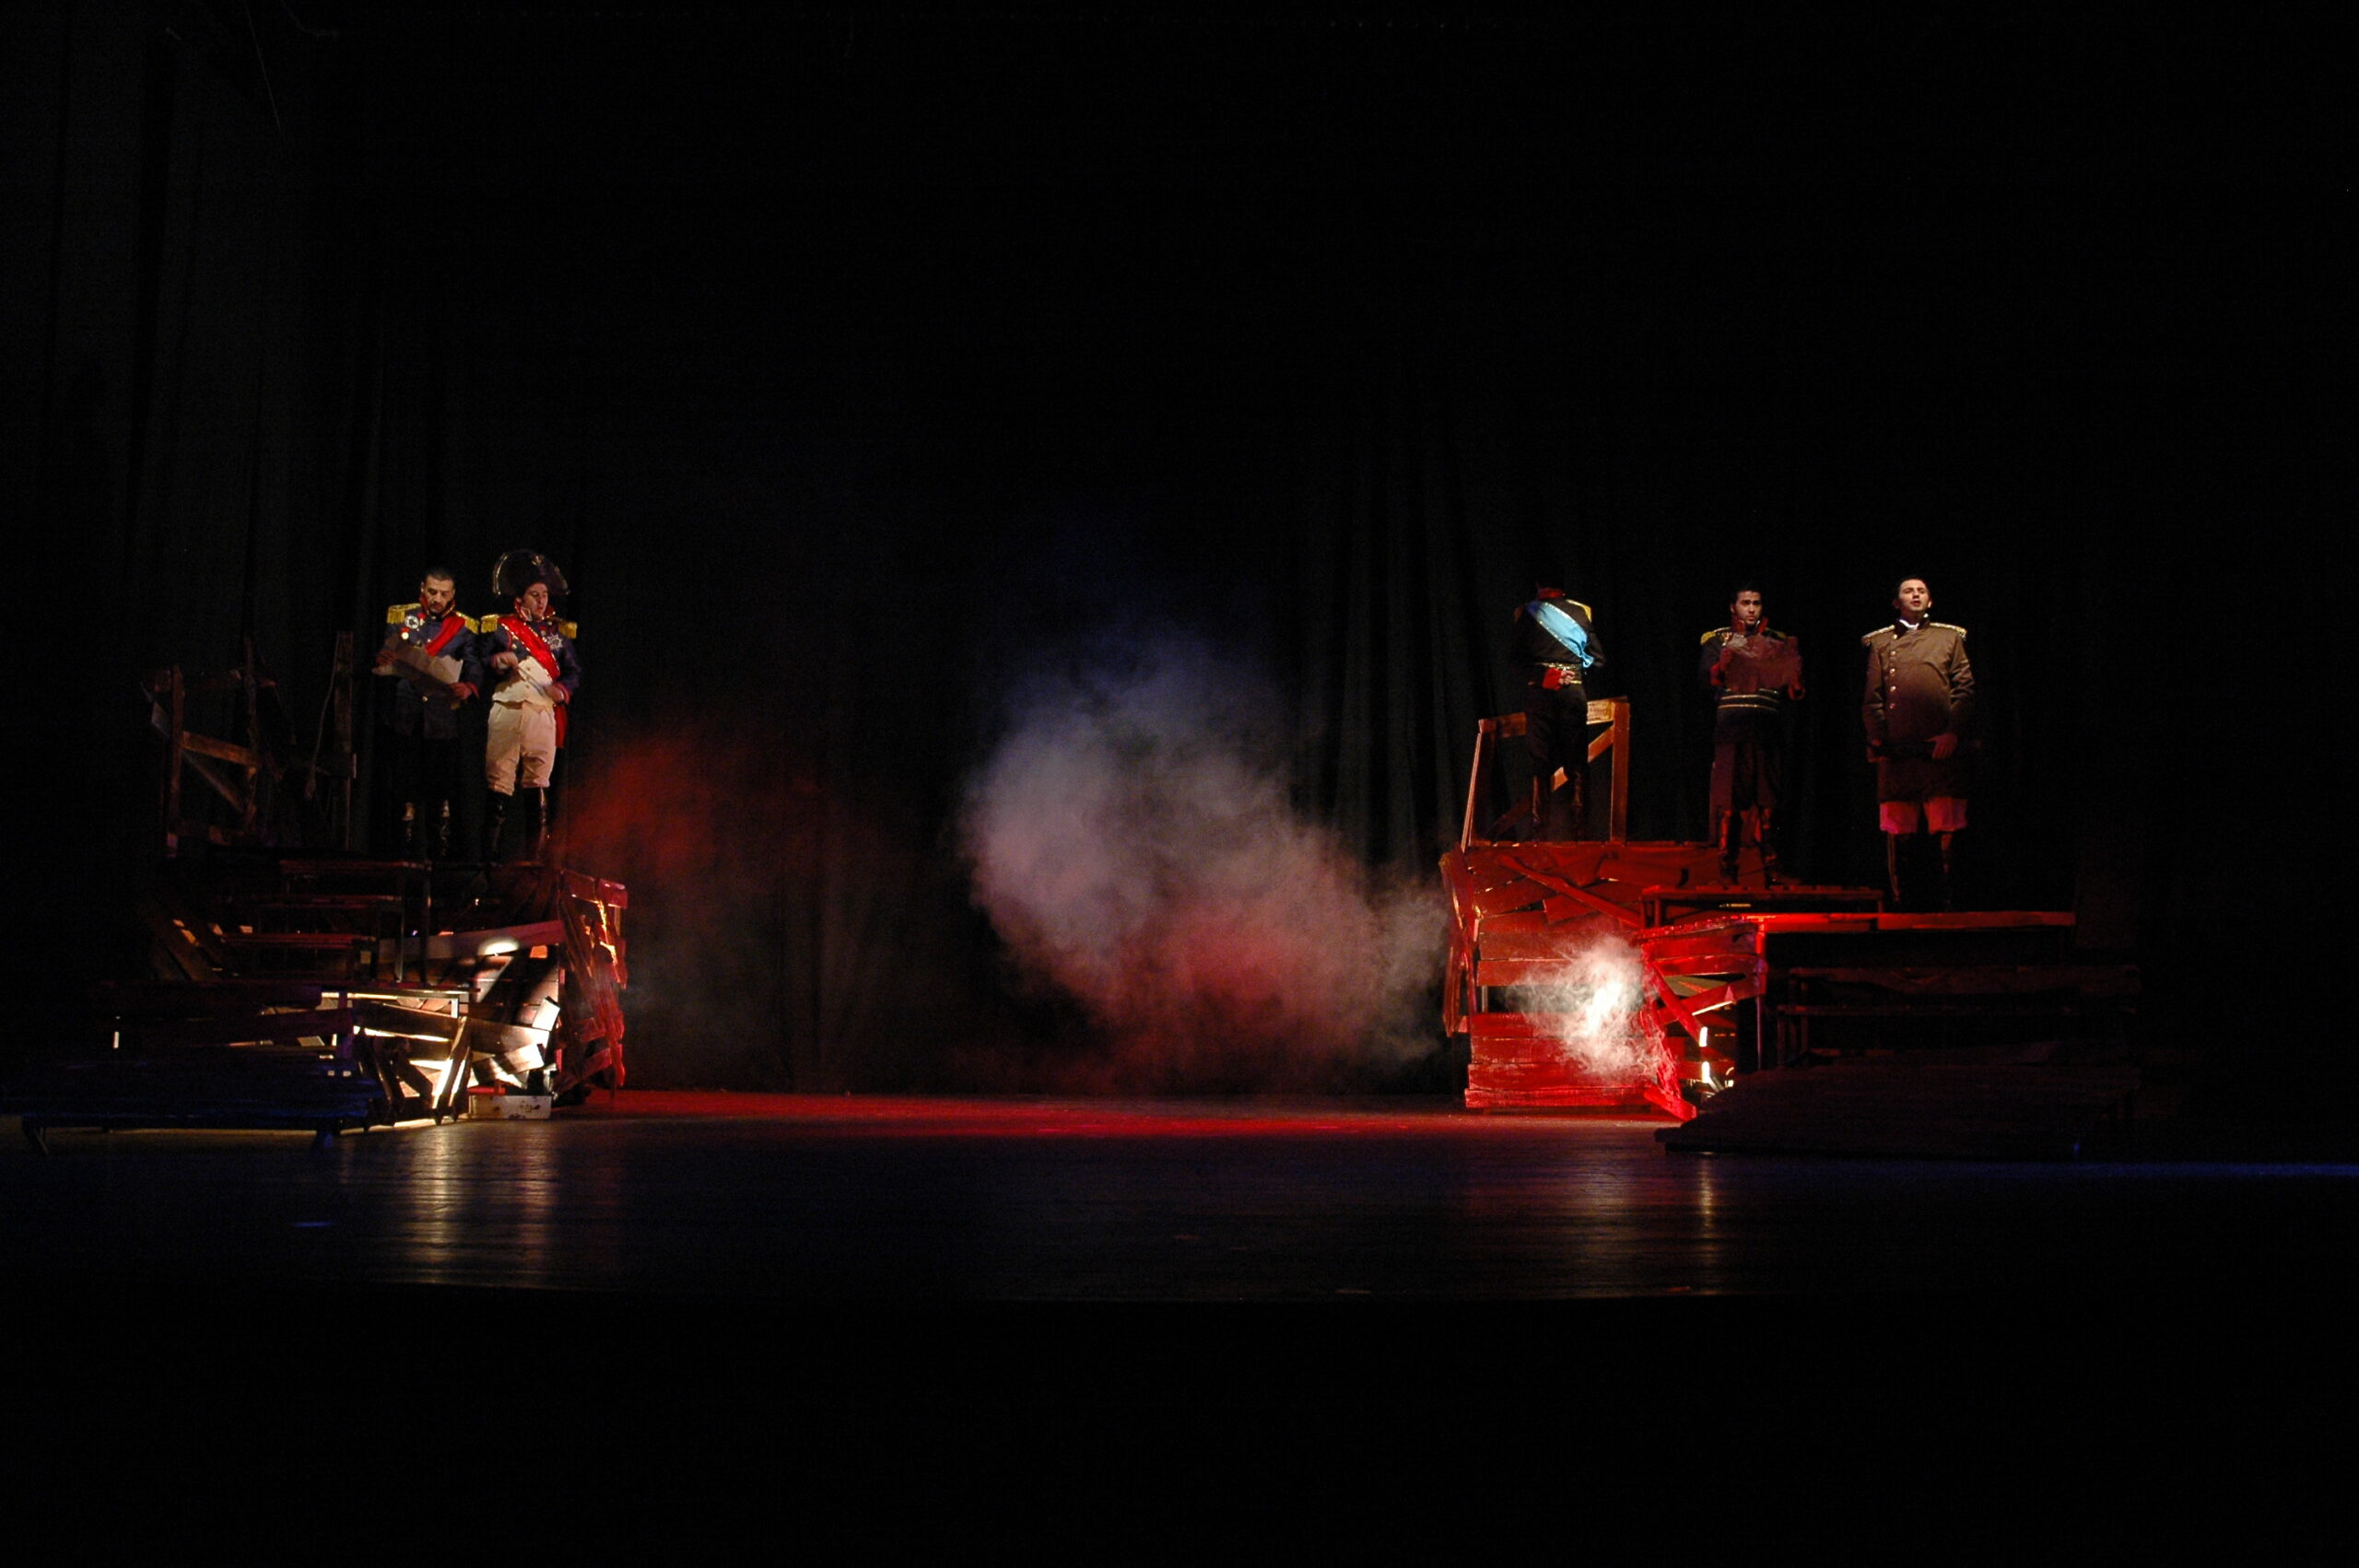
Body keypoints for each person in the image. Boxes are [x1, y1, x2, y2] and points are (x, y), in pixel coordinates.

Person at [1861, 576, 1974, 908]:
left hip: (1939, 749)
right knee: (1899, 830)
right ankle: (1902, 911)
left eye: (1921, 590)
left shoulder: (1949, 638)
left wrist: (1952, 732)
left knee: (1948, 827)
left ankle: (1952, 912)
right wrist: (1877, 738)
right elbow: (1872, 698)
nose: (1915, 594)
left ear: (1930, 600)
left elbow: (1965, 689)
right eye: (1908, 591)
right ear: (1896, 602)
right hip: (1898, 752)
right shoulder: (1880, 643)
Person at [371, 568, 480, 859]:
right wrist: (384, 658)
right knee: (403, 790)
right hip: (406, 716)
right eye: (432, 592)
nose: (437, 599)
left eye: (443, 594)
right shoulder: (402, 617)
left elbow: (473, 665)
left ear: (452, 594)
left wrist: (468, 687)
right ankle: (402, 857)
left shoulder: (464, 627)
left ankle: (438, 862)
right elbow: (386, 653)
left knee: (440, 793)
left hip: (441, 718)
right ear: (423, 588)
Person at [1699, 583, 1803, 883]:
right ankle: (1728, 870)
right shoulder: (1718, 640)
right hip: (1732, 728)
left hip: (1766, 728)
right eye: (1745, 603)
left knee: (1769, 801)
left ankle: (1773, 869)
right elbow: (1706, 680)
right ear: (1734, 607)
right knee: (1730, 802)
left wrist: (1794, 677)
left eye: (1756, 603)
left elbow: (1793, 689)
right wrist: (1723, 666)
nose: (1752, 608)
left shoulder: (1777, 641)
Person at [480, 570, 581, 862]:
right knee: (498, 785)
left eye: (544, 595)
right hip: (508, 710)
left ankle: (534, 865)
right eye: (534, 595)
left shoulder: (558, 634)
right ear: (520, 598)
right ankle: (489, 864)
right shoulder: (502, 628)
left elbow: (573, 672)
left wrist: (562, 690)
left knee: (537, 786)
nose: (541, 601)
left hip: (541, 713)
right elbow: (481, 662)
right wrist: (497, 661)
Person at [1513, 582, 1605, 839]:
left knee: (1540, 762)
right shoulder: (1581, 612)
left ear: (1538, 587)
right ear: (1563, 589)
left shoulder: (1526, 613)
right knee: (1576, 761)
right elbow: (1598, 660)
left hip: (1540, 694)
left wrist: (1545, 675)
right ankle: (1580, 832)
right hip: (1572, 693)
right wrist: (1571, 672)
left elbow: (1516, 661)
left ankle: (1539, 833)